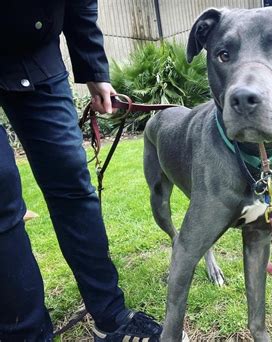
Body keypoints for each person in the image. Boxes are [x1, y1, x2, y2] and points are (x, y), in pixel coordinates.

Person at [0, 1, 164, 341]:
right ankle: (26, 334)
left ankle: (110, 314)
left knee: (72, 181)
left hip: (36, 53)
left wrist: (94, 72)